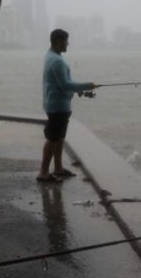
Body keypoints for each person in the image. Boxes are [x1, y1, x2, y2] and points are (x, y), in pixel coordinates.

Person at [38, 28, 95, 183]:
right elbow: (65, 84)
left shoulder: (50, 56)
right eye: (65, 41)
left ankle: (58, 168)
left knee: (59, 138)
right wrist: (87, 85)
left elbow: (60, 85)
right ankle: (43, 173)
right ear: (58, 41)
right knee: (52, 139)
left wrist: (80, 91)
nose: (68, 44)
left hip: (56, 104)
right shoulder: (57, 61)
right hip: (57, 107)